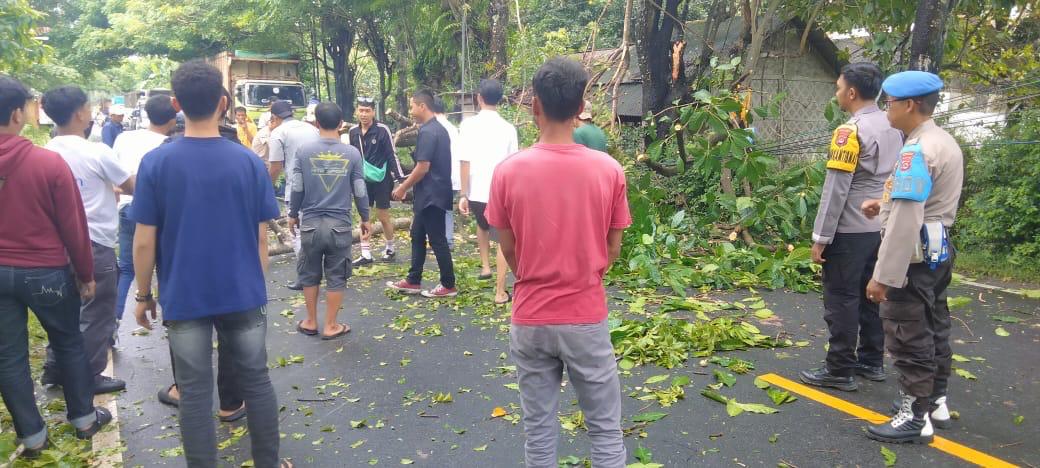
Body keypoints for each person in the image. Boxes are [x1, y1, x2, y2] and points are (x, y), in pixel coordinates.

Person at [130, 60, 288, 468]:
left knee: (195, 393)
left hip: (184, 296)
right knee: (256, 381)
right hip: (242, 293)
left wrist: (144, 296)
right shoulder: (248, 162)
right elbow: (261, 239)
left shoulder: (156, 163)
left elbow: (144, 240)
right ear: (222, 103)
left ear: (177, 104)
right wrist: (255, 287)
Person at [486, 57, 630, 468]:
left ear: (535, 105)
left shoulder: (507, 172)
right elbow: (613, 249)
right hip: (586, 315)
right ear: (581, 106)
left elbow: (508, 248)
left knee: (539, 431)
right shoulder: (609, 170)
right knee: (605, 430)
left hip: (530, 316)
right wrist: (583, 275)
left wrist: (534, 275)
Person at [0, 75, 112, 458]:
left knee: (8, 356)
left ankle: (32, 438)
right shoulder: (47, 163)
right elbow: (74, 227)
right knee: (68, 341)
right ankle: (84, 420)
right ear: (18, 114)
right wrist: (86, 274)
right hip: (45, 272)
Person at [862, 71, 963, 445]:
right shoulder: (942, 140)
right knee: (935, 325)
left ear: (909, 105)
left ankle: (914, 417)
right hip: (937, 250)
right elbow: (923, 199)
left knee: (907, 332)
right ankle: (936, 402)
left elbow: (906, 219)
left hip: (912, 257)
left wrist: (883, 276)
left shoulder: (916, 151)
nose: (886, 109)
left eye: (889, 103)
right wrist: (883, 202)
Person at [799, 63, 902, 392]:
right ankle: (871, 360)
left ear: (852, 92)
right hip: (881, 226)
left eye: (839, 87)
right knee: (871, 294)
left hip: (849, 230)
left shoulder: (849, 132)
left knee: (842, 298)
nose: (837, 93)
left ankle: (839, 368)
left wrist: (821, 237)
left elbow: (836, 190)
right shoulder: (894, 125)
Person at [41, 85, 134, 395]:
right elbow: (131, 185)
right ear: (81, 113)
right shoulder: (97, 151)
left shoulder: (44, 152)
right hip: (93, 242)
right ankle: (90, 375)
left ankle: (55, 367)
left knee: (62, 309)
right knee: (96, 311)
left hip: (53, 245)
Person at [288, 102, 371, 339]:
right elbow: (359, 189)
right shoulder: (352, 153)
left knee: (309, 272)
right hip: (339, 226)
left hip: (311, 224)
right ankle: (331, 325)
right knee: (337, 274)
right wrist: (365, 217)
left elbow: (297, 187)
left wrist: (292, 214)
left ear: (316, 123)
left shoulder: (303, 151)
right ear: (341, 124)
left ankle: (311, 321)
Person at [112, 95, 178, 326]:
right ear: (173, 119)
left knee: (126, 268)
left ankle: (113, 324)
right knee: (165, 264)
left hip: (126, 208)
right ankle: (173, 319)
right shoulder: (169, 146)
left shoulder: (124, 138)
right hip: (157, 212)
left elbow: (115, 174)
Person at [386, 89, 457, 298]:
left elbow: (423, 167)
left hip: (432, 194)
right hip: (429, 194)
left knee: (437, 240)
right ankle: (413, 280)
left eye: (412, 106)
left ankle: (448, 284)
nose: (410, 110)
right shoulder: (436, 129)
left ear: (422, 106)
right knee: (417, 235)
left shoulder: (429, 131)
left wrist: (402, 187)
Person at [458, 78, 518, 304]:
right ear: (500, 99)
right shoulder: (508, 128)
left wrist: (463, 193)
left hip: (475, 190)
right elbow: (513, 164)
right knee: (504, 238)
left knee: (482, 225)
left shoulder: (468, 125)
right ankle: (500, 291)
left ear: (479, 98)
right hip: (501, 190)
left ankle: (485, 266)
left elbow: (464, 160)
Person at [268, 99, 320, 291]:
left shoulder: (278, 133)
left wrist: (266, 186)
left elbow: (275, 166)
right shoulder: (311, 128)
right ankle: (321, 271)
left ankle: (306, 276)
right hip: (320, 186)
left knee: (297, 232)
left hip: (297, 190)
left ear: (274, 117)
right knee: (317, 229)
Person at [348, 97, 405, 265]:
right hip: (362, 180)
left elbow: (392, 155)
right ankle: (365, 253)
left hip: (382, 179)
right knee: (363, 216)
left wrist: (401, 181)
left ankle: (390, 248)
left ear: (373, 112)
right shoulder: (353, 132)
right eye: (361, 110)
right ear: (356, 111)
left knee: (383, 216)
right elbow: (351, 157)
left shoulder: (382, 130)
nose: (364, 114)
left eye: (367, 111)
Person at [433, 98, 461, 249]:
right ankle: (448, 240)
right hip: (454, 176)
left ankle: (443, 241)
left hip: (440, 176)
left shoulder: (435, 127)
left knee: (436, 209)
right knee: (447, 209)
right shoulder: (453, 128)